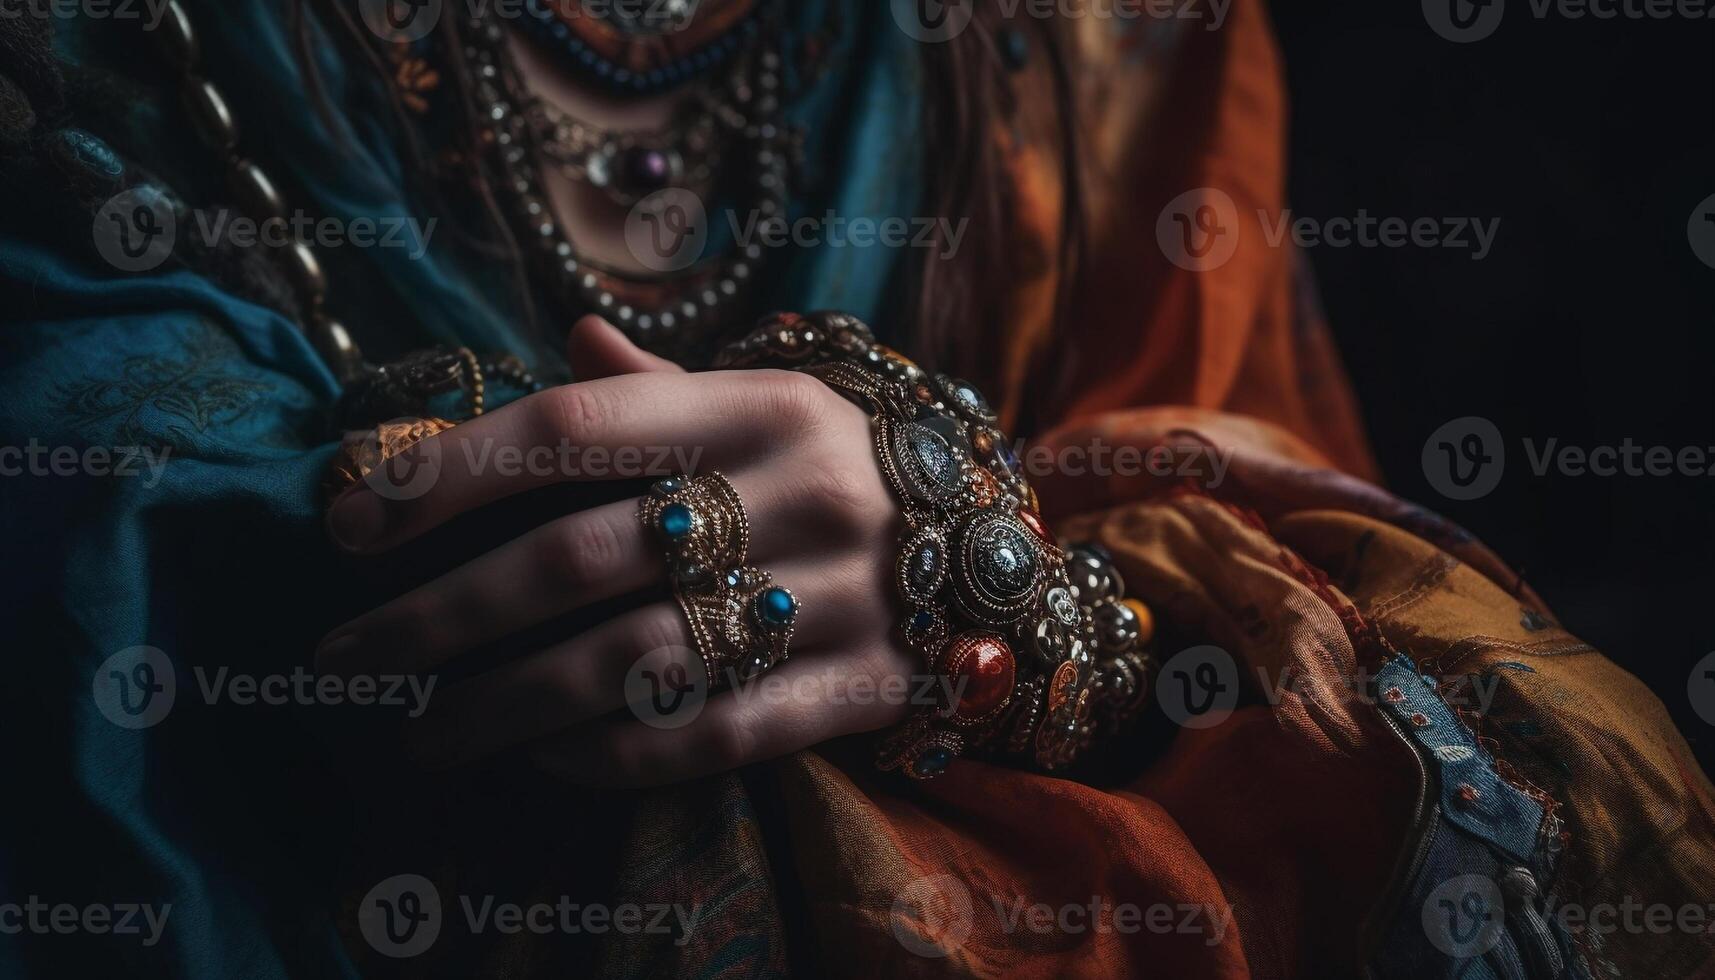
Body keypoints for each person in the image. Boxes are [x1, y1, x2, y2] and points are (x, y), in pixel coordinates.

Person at [1, 1, 1708, 977]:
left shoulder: (1096, 39)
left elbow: (1236, 461)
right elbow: (173, 619)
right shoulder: (122, 52)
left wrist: (1008, 609)